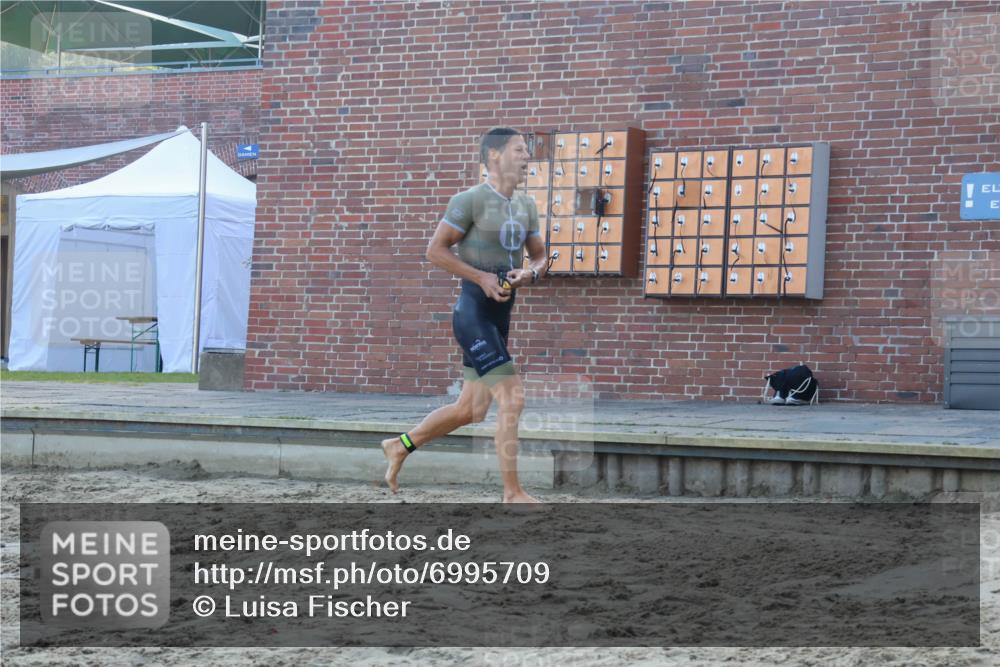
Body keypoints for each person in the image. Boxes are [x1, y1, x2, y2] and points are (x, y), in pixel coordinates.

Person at [381, 127, 548, 503]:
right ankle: (512, 493)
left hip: (500, 316)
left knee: (470, 409)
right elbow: (435, 250)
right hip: (473, 315)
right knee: (513, 398)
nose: (527, 156)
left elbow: (539, 255)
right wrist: (481, 277)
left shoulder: (526, 205)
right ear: (494, 156)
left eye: (526, 150)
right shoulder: (469, 200)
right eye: (519, 150)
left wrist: (531, 274)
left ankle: (399, 445)